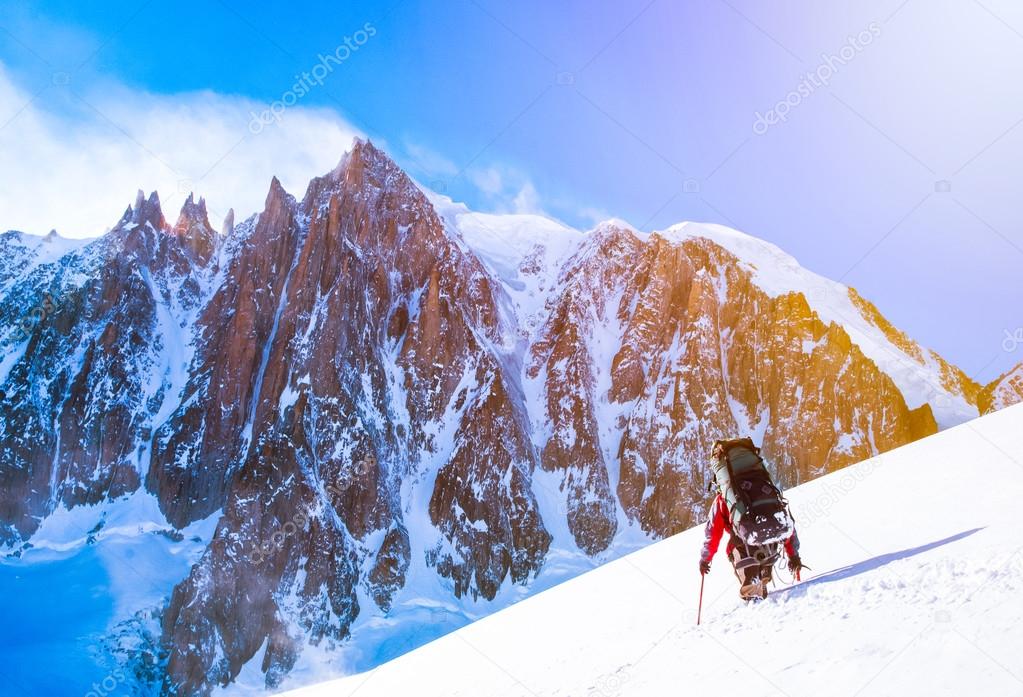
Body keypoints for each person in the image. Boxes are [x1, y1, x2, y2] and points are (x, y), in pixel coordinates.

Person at [699, 491, 803, 601]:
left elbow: (713, 534)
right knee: (759, 589)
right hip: (770, 547)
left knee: (753, 596)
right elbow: (785, 523)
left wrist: (705, 559)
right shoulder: (765, 487)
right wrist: (793, 556)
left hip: (744, 553)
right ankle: (762, 574)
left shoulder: (723, 498)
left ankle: (753, 583)